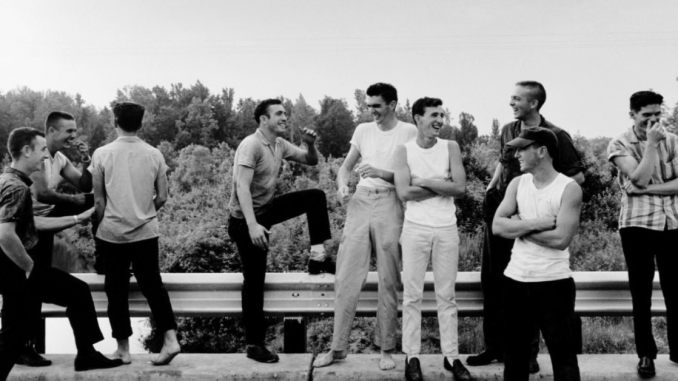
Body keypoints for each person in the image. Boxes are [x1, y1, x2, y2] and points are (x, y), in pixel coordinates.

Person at [468, 81, 585, 373]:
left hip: (534, 215)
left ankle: (529, 355)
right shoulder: (508, 130)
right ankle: (497, 347)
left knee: (555, 336)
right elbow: (502, 162)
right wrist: (493, 189)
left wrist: (538, 208)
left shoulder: (557, 136)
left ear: (533, 103)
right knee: (494, 281)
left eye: (517, 98)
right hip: (507, 204)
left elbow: (576, 177)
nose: (511, 103)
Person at [0, 127, 123, 381]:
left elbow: (33, 225)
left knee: (13, 336)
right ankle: (87, 355)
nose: (46, 156)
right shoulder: (17, 188)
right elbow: (4, 235)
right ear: (26, 151)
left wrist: (78, 218)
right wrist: (29, 269)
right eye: (42, 150)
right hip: (17, 270)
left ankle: (86, 354)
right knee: (74, 293)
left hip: (9, 271)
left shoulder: (6, 181)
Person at [314, 83, 417, 370]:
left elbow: (413, 175)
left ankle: (386, 349)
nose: (371, 110)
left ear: (392, 104)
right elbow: (346, 167)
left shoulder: (409, 132)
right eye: (369, 105)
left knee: (388, 278)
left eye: (377, 105)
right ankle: (337, 348)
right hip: (360, 201)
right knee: (346, 276)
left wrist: (382, 173)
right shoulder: (362, 130)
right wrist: (342, 185)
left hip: (390, 202)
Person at [228, 98, 333, 363]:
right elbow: (242, 187)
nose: (285, 117)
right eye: (279, 114)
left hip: (266, 210)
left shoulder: (278, 143)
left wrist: (310, 144)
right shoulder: (251, 145)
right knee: (254, 280)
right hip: (244, 220)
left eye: (285, 113)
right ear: (264, 119)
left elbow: (311, 161)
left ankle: (318, 258)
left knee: (315, 197)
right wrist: (253, 225)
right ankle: (254, 345)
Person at [91, 102, 180, 366]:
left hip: (112, 234)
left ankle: (123, 350)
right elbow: (163, 196)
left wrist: (101, 227)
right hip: (146, 233)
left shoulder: (102, 154)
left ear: (114, 121)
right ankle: (171, 339)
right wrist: (143, 213)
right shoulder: (154, 154)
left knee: (115, 291)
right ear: (141, 124)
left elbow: (98, 202)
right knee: (153, 286)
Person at [493, 127, 583, 381]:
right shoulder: (517, 183)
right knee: (515, 361)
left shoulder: (569, 188)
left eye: (523, 148)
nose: (517, 154)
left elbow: (560, 239)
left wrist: (519, 226)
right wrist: (538, 223)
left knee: (563, 359)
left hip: (554, 284)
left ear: (542, 151)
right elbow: (498, 226)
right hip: (516, 282)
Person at [393, 97, 471, 381]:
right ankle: (412, 357)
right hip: (415, 229)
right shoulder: (403, 151)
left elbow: (460, 188)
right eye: (433, 115)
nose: (439, 120)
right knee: (412, 295)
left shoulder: (451, 147)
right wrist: (443, 185)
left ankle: (451, 358)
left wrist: (423, 181)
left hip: (446, 229)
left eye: (442, 115)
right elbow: (404, 193)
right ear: (417, 118)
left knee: (446, 297)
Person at [15, 111, 96, 367]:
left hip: (46, 220)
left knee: (97, 200)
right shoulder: (36, 160)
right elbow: (43, 193)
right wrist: (75, 204)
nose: (74, 135)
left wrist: (86, 159)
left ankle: (105, 254)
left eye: (75, 130)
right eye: (68, 131)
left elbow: (84, 184)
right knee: (31, 285)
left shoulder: (59, 157)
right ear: (51, 132)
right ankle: (24, 347)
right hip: (31, 227)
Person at [607, 90, 678, 378]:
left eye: (657, 114)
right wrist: (650, 146)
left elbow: (641, 184)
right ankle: (646, 354)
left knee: (676, 289)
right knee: (641, 292)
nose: (653, 120)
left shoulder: (673, 140)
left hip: (672, 222)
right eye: (646, 115)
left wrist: (646, 188)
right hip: (637, 224)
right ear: (633, 114)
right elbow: (636, 176)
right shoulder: (619, 143)